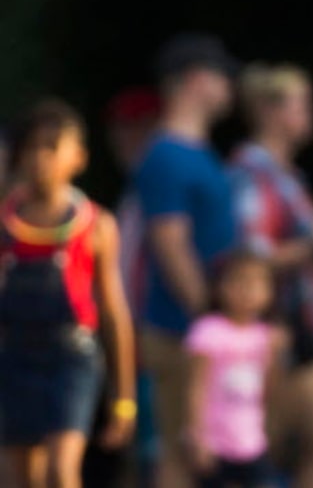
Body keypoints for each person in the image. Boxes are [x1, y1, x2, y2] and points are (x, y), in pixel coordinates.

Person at [0, 99, 137, 488]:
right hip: (14, 356)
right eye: (30, 147)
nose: (40, 158)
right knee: (17, 477)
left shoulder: (95, 225)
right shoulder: (5, 223)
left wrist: (123, 398)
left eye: (51, 147)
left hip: (71, 357)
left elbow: (113, 312)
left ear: (78, 157)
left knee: (62, 471)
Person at [227, 63, 313, 488]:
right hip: (275, 329)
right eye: (303, 104)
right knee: (279, 446)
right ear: (269, 111)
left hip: (305, 326)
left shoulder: (287, 177)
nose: (311, 115)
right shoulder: (251, 174)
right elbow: (249, 257)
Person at [134, 33, 241, 488]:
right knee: (181, 458)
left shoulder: (197, 152)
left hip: (200, 330)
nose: (230, 88)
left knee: (208, 456)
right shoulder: (166, 155)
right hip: (181, 332)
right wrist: (210, 318)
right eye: (223, 76)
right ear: (197, 80)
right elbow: (170, 244)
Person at [86, 85, 164, 488]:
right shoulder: (134, 189)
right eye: (117, 128)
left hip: (154, 338)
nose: (121, 137)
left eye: (132, 127)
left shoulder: (157, 185)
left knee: (157, 452)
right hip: (130, 340)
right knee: (137, 452)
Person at [184, 248, 288, 488]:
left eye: (256, 283)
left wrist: (277, 354)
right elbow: (196, 387)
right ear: (221, 286)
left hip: (253, 442)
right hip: (216, 443)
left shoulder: (266, 336)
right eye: (240, 281)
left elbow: (268, 388)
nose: (248, 291)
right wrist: (198, 437)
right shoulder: (208, 331)